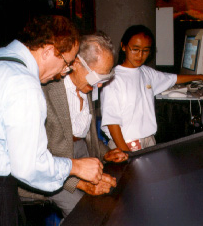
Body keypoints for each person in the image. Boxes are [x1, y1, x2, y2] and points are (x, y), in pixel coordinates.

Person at [0, 15, 104, 226]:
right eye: (67, 64)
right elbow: (29, 167)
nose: (63, 73)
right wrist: (75, 167)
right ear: (49, 51)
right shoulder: (24, 84)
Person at [19, 32, 128, 218]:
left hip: (79, 156)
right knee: (85, 214)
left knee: (108, 202)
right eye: (98, 78)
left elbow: (85, 135)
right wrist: (80, 183)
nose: (100, 86)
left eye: (105, 79)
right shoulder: (46, 89)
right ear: (76, 63)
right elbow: (39, 161)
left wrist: (105, 153)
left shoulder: (86, 87)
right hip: (52, 166)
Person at [100, 25, 203, 152]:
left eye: (145, 50)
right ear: (123, 46)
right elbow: (112, 122)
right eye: (135, 49)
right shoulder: (113, 79)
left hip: (149, 141)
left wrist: (200, 77)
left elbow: (172, 78)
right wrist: (126, 153)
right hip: (126, 144)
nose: (140, 55)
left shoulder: (146, 72)